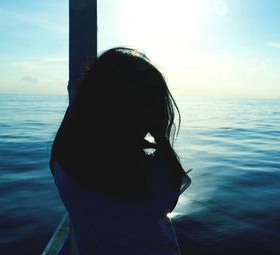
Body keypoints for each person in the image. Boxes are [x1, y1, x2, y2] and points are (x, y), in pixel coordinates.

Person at [50, 47, 191, 255]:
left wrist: (87, 92)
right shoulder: (157, 175)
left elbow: (68, 133)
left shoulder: (65, 164)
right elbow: (170, 200)